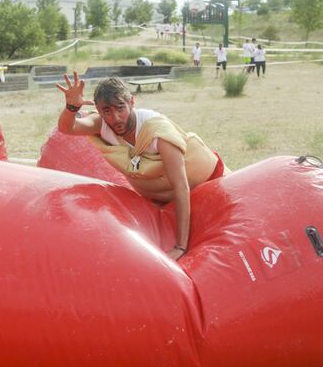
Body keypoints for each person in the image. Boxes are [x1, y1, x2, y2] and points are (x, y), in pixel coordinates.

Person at [56, 73, 226, 261]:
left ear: (132, 102)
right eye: (107, 111)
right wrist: (72, 107)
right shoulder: (102, 124)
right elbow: (67, 128)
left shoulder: (157, 132)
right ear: (99, 110)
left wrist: (180, 247)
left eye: (121, 108)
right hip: (160, 200)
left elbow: (181, 186)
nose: (116, 118)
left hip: (208, 182)